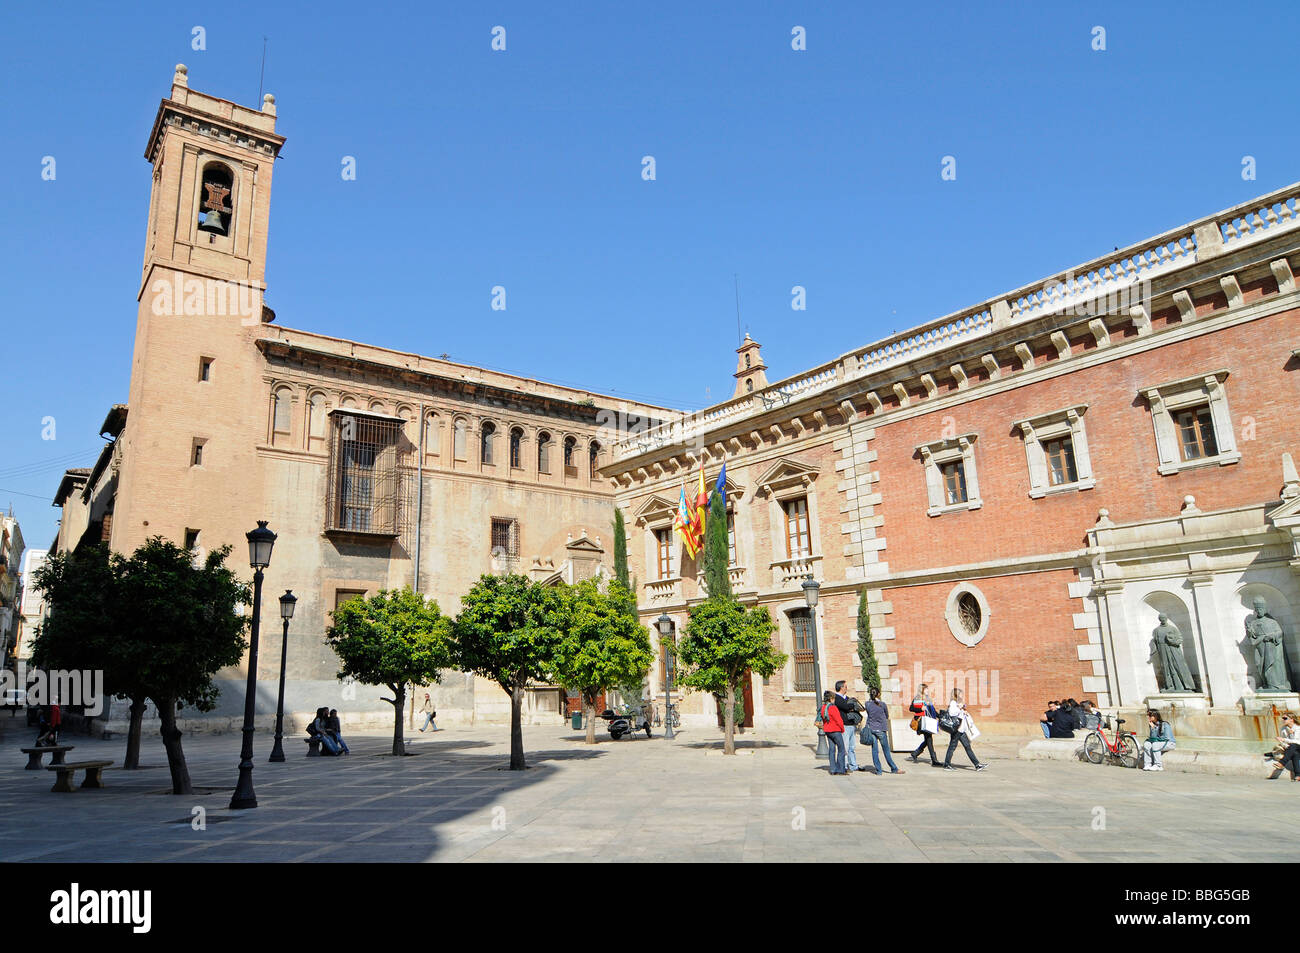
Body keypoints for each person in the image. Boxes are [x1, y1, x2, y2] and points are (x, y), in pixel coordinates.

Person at [942, 689, 986, 771]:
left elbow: (960, 713)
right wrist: (960, 708)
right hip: (957, 730)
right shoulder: (953, 703)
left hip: (961, 730)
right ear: (957, 695)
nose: (962, 695)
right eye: (961, 694)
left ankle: (977, 765)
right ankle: (947, 764)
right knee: (952, 747)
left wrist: (963, 710)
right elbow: (952, 713)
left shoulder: (957, 703)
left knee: (967, 746)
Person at [863, 688, 903, 775]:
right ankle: (894, 768)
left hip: (872, 729)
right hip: (881, 729)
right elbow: (886, 715)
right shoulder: (882, 704)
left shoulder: (867, 704)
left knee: (874, 750)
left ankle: (879, 770)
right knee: (886, 750)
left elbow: (869, 713)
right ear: (879, 694)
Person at [833, 680, 866, 772]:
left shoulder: (846, 698)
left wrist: (851, 706)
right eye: (845, 686)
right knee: (845, 747)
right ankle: (844, 766)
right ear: (841, 687)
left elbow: (854, 706)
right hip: (844, 725)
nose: (847, 688)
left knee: (852, 747)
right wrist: (851, 706)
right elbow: (846, 707)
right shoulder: (837, 698)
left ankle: (853, 765)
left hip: (851, 724)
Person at [907, 684, 941, 766]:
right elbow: (911, 708)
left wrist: (939, 716)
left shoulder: (928, 699)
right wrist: (920, 709)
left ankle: (915, 753)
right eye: (926, 689)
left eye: (927, 689)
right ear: (921, 690)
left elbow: (932, 710)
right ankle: (934, 760)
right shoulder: (917, 698)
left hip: (929, 721)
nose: (927, 691)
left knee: (928, 740)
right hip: (922, 721)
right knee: (929, 739)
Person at [820, 690, 848, 775]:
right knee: (841, 749)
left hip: (828, 730)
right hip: (835, 730)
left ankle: (833, 769)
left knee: (832, 750)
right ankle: (841, 769)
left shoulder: (823, 708)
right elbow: (838, 720)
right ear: (831, 699)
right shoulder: (833, 708)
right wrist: (842, 729)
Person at [1267, 711, 1300, 781]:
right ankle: (1298, 775)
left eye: (1285, 718)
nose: (1283, 720)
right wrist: (1285, 745)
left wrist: (1284, 740)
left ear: (1292, 719)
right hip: (1292, 749)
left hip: (1298, 746)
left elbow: (1298, 742)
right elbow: (1282, 742)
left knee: (1293, 746)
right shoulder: (1284, 729)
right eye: (1283, 718)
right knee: (1295, 753)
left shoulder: (1298, 728)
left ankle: (1282, 763)